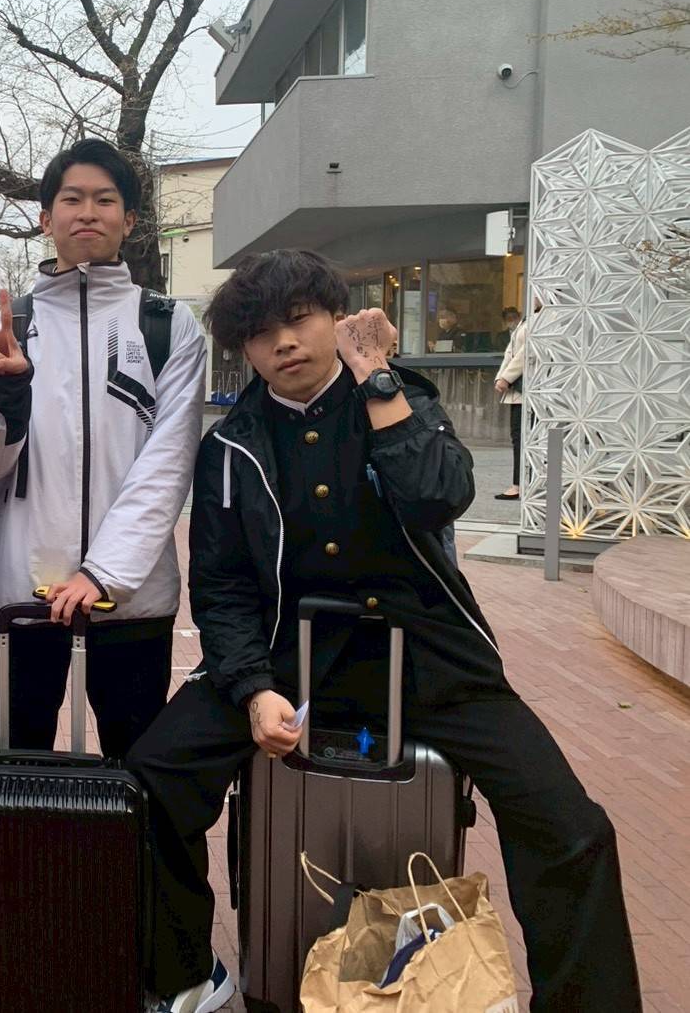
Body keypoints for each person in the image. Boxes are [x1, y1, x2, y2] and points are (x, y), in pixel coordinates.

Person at [128, 250, 640, 1013]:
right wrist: (253, 688)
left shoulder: (396, 396)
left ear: (336, 319)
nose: (284, 344)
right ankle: (186, 974)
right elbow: (223, 588)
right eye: (261, 334)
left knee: (569, 826)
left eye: (299, 320)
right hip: (287, 657)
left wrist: (376, 381)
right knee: (153, 778)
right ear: (245, 351)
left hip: (428, 656)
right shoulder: (230, 446)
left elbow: (437, 496)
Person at [0, 137, 207, 760]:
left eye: (105, 199)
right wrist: (6, 392)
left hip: (132, 599)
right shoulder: (6, 331)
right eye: (71, 199)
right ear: (46, 218)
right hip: (24, 594)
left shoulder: (167, 325)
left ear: (130, 219)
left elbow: (169, 463)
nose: (87, 212)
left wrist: (103, 573)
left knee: (138, 774)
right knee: (18, 774)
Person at [494, 305, 527, 500]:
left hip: (528, 388)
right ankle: (519, 483)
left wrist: (506, 377)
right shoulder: (527, 319)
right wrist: (501, 376)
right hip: (518, 389)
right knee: (518, 437)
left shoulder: (544, 318)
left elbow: (526, 352)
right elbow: (511, 351)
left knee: (523, 437)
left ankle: (520, 484)